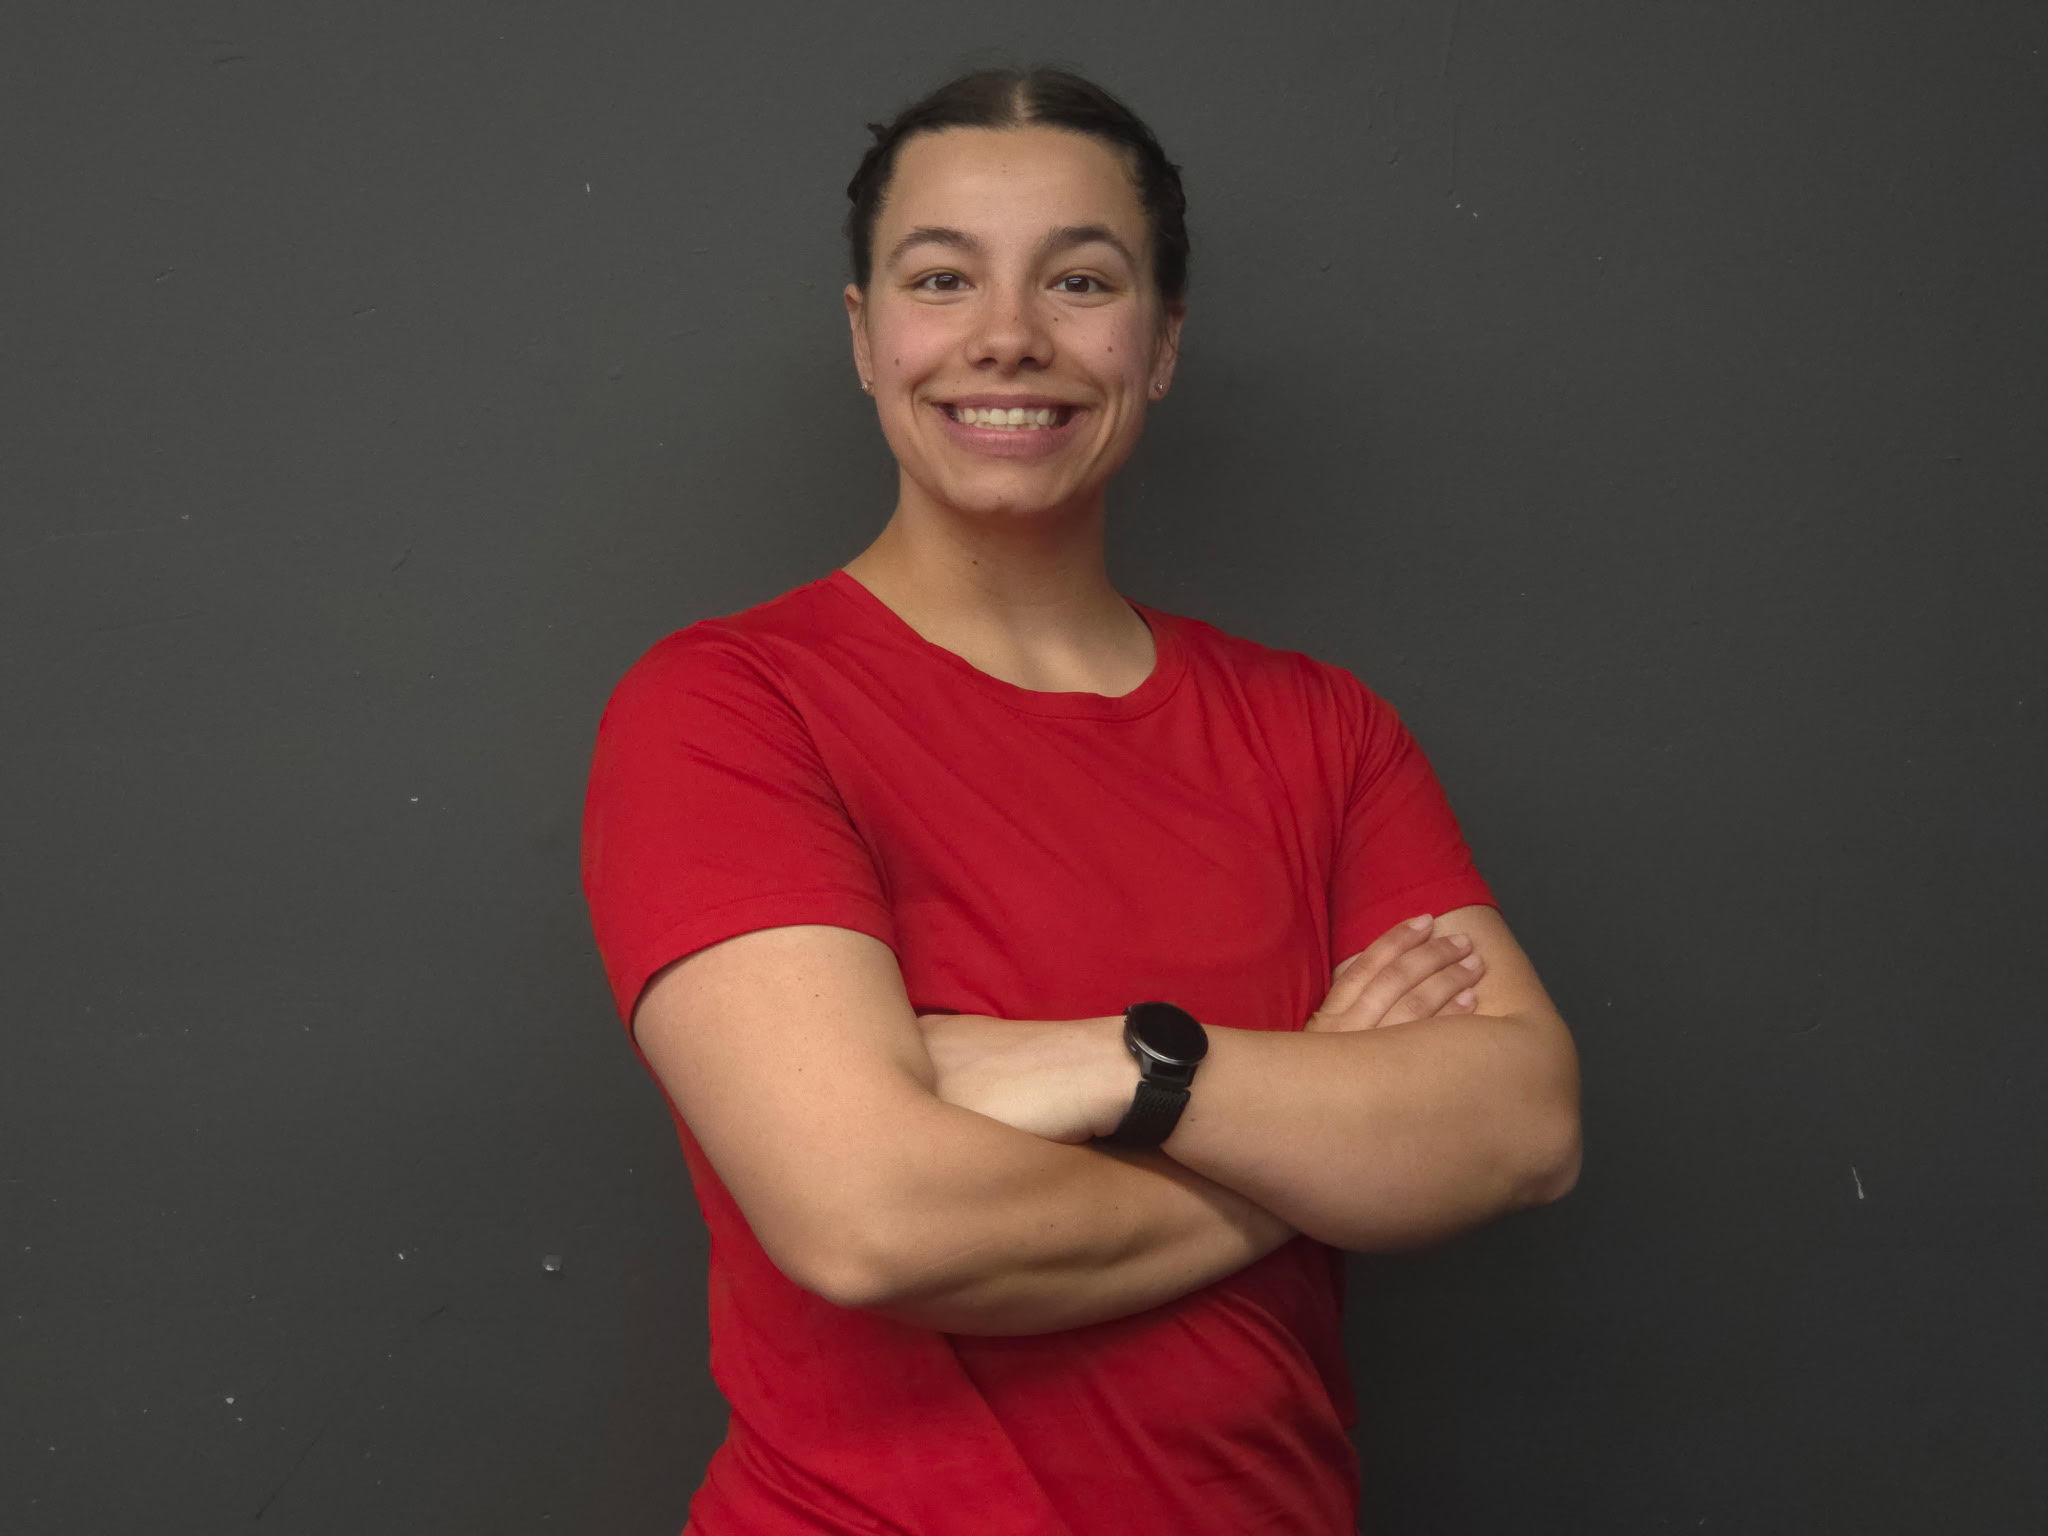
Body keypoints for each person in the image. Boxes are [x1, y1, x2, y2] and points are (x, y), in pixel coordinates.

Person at [581, 65, 1581, 1536]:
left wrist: (1113, 1068)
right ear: (863, 336)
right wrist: (1309, 1131)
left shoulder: (1324, 731)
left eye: (1082, 280)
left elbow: (1522, 1125)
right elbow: (874, 1221)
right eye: (942, 278)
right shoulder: (728, 707)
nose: (1007, 335)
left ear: (1161, 341)